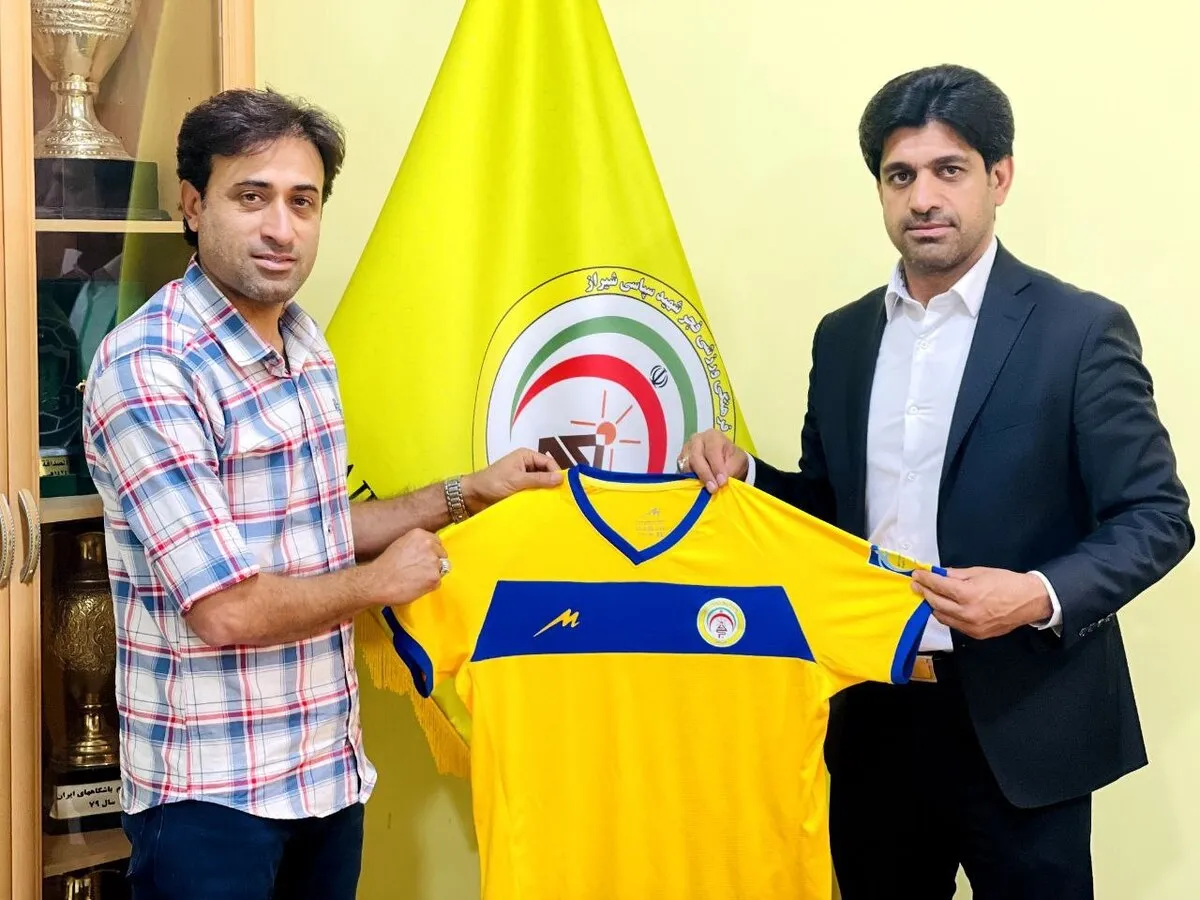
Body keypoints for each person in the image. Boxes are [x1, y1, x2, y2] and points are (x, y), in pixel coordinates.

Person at [680, 64, 1192, 898]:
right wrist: (750, 477)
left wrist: (1034, 594)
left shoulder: (1079, 330)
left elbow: (1157, 516)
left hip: (1026, 723)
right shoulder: (843, 337)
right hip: (873, 712)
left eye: (948, 170)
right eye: (900, 176)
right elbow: (833, 512)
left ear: (999, 177)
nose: (922, 198)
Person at [80, 88, 561, 900]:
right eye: (252, 197)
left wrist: (466, 493)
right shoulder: (151, 368)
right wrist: (380, 584)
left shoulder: (304, 344)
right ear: (193, 205)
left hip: (325, 778)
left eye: (302, 201)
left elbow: (313, 529)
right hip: (211, 799)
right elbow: (224, 607)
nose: (281, 228)